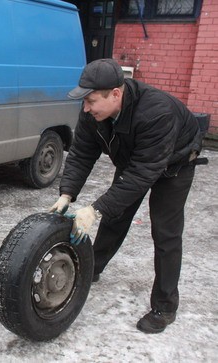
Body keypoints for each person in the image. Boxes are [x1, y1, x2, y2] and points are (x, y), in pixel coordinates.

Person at [50, 58, 204, 334]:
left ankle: (165, 306)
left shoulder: (157, 113)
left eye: (92, 101)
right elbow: (82, 153)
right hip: (134, 157)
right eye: (84, 101)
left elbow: (142, 174)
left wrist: (95, 209)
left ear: (116, 94)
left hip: (175, 164)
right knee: (116, 215)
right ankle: (92, 268)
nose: (85, 108)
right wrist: (67, 193)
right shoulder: (92, 112)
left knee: (165, 232)